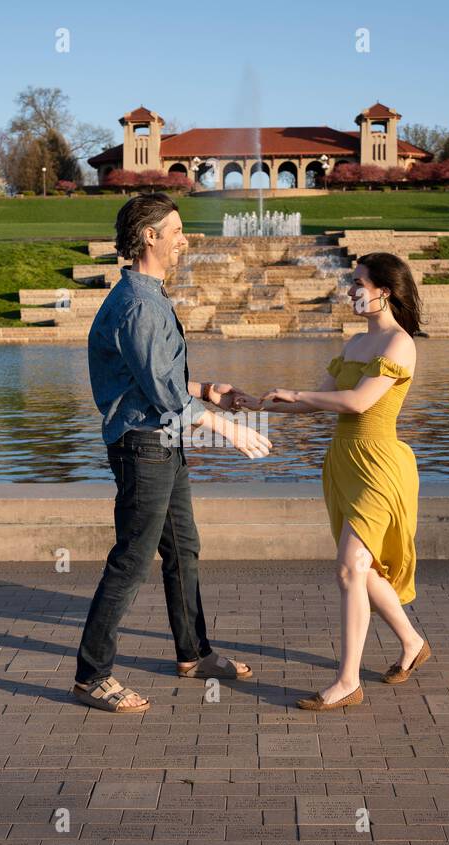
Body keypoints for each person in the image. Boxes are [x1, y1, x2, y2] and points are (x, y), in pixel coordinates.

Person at [73, 192, 272, 714]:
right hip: (144, 447)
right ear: (150, 237)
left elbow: (156, 378)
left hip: (161, 442)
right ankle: (93, 675)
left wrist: (206, 389)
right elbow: (161, 394)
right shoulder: (139, 303)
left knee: (182, 548)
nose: (185, 240)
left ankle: (195, 654)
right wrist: (228, 428)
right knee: (131, 562)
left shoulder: (148, 297)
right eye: (177, 230)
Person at [259, 252, 429, 710]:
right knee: (363, 569)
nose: (350, 291)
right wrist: (257, 403)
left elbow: (357, 402)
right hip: (343, 463)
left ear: (384, 292)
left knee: (350, 567)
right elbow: (318, 403)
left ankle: (347, 681)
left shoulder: (400, 344)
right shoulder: (354, 343)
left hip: (379, 466)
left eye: (358, 283)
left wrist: (296, 392)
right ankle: (412, 642)